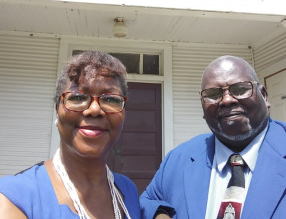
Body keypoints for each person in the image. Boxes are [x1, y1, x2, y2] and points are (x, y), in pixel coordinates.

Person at [140, 55, 286, 218]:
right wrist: (160, 214)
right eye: (213, 94)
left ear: (264, 96)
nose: (227, 100)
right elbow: (148, 201)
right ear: (203, 108)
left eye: (240, 89)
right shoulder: (179, 159)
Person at [0, 51, 141, 219]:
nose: (94, 110)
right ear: (57, 110)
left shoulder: (127, 191)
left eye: (111, 100)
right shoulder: (16, 198)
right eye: (78, 97)